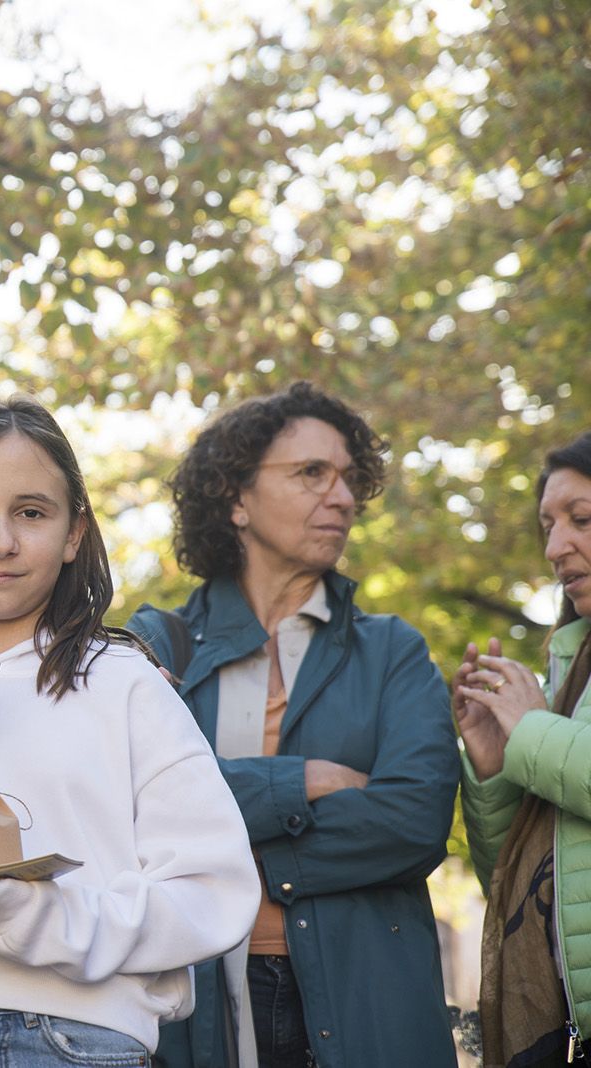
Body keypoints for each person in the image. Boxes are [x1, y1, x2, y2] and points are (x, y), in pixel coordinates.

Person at [0, 395, 258, 1067]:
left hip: (84, 1040)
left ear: (74, 533)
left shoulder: (128, 686)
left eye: (32, 513)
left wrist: (25, 915)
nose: (1, 541)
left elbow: (212, 894)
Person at [128, 382, 459, 1068]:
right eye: (311, 473)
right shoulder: (154, 647)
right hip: (193, 1003)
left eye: (348, 478)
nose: (342, 497)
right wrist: (302, 781)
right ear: (236, 499)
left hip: (369, 1000)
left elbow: (414, 821)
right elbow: (131, 807)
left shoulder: (393, 651)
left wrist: (229, 852)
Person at [455, 431, 591, 1065]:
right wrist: (496, 769)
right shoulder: (570, 668)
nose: (556, 547)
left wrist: (532, 731)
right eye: (548, 526)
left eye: (581, 520)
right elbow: (516, 884)